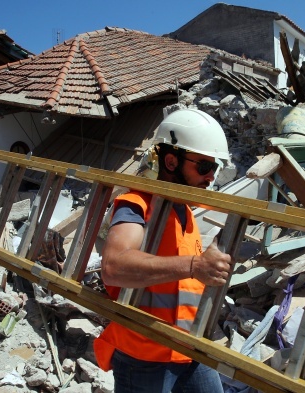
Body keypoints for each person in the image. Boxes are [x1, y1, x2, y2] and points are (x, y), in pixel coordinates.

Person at [93, 108, 233, 393]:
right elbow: (114, 267)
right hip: (144, 355)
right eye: (204, 167)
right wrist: (195, 265)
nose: (210, 177)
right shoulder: (135, 204)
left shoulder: (187, 212)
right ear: (171, 161)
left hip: (189, 349)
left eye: (214, 168)